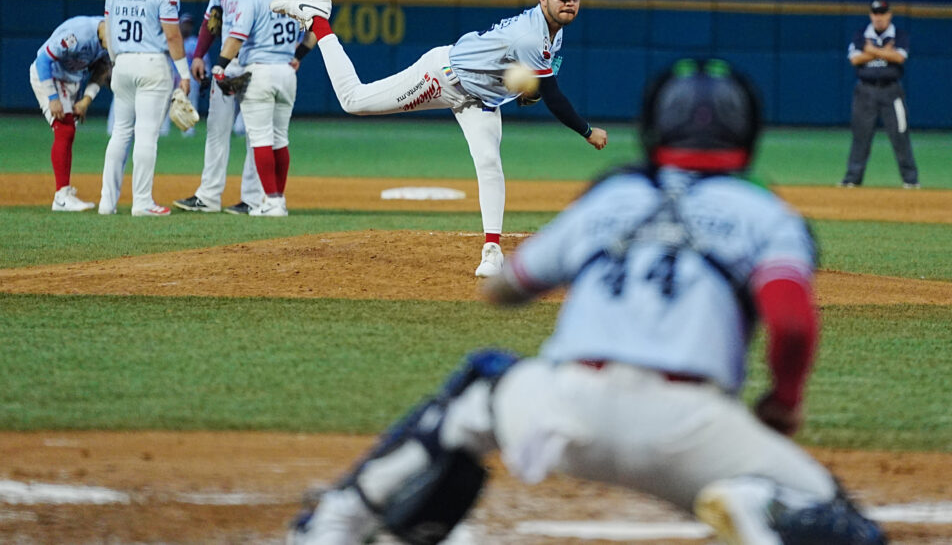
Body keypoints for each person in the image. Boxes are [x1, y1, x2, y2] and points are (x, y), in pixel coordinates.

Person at [285, 59, 887, 545]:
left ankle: (339, 522)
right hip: (693, 428)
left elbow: (506, 288)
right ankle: (758, 504)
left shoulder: (614, 195)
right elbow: (791, 323)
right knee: (834, 517)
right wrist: (782, 404)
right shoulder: (768, 212)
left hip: (564, 410)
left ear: (654, 126)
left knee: (481, 387)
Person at [271, 0, 608, 277]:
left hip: (480, 100)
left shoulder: (554, 31)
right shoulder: (530, 36)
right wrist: (587, 131)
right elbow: (553, 96)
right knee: (353, 100)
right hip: (443, 77)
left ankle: (492, 251)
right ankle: (318, 21)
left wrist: (528, 90)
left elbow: (546, 78)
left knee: (489, 164)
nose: (568, 2)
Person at [173, 0, 303, 216]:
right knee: (217, 130)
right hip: (232, 63)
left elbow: (313, 13)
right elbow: (212, 20)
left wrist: (296, 54)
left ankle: (255, 198)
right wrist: (198, 56)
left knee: (258, 134)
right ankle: (208, 196)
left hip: (257, 65)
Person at [209, 0, 317, 216]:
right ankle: (278, 199)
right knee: (280, 139)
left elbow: (235, 39)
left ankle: (270, 201)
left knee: (260, 138)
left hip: (259, 71)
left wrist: (220, 66)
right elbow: (317, 28)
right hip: (286, 72)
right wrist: (299, 54)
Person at [100, 0, 191, 217]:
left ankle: (107, 203)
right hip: (152, 64)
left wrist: (115, 61)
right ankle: (141, 203)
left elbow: (108, 31)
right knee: (146, 135)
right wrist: (184, 74)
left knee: (120, 133)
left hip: (123, 63)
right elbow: (174, 38)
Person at [30, 16, 111, 211]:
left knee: (68, 133)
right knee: (64, 130)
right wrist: (52, 97)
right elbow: (43, 61)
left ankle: (63, 193)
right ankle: (61, 196)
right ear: (108, 26)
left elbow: (101, 70)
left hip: (71, 81)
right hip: (49, 76)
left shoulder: (110, 43)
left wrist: (86, 100)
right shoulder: (78, 35)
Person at [840, 0, 919, 188]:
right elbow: (855, 59)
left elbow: (899, 57)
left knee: (900, 134)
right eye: (876, 13)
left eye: (882, 13)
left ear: (889, 15)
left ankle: (911, 180)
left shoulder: (899, 35)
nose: (879, 17)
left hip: (891, 90)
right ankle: (852, 179)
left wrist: (872, 51)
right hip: (865, 90)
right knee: (861, 136)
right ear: (871, 15)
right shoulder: (861, 34)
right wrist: (884, 52)